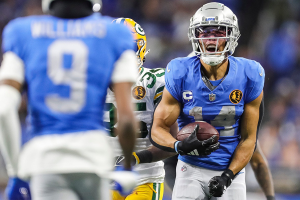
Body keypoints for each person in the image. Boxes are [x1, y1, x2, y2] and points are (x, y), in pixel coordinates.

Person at [0, 0, 139, 199]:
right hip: (93, 157)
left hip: (45, 160)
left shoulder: (21, 32)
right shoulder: (115, 33)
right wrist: (126, 167)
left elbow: (4, 110)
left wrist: (16, 172)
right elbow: (126, 119)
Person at [150, 2, 265, 200]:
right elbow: (158, 129)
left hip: (231, 169)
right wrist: (179, 146)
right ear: (195, 36)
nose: (211, 38)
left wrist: (227, 177)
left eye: (219, 32)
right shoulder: (180, 71)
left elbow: (249, 139)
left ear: (232, 35)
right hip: (191, 167)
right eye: (205, 32)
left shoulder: (250, 73)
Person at [106, 17, 172, 200]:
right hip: (103, 178)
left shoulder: (155, 82)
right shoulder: (94, 84)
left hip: (144, 178)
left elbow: (171, 141)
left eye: (129, 48)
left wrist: (135, 158)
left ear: (140, 48)